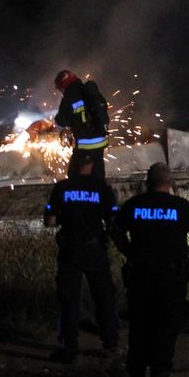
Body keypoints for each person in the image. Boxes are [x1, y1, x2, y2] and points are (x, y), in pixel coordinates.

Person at [113, 162, 189, 377]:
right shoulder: (181, 206)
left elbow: (116, 233)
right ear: (170, 183)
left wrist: (130, 253)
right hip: (171, 276)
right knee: (165, 328)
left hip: (140, 275)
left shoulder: (134, 205)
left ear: (147, 182)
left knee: (139, 327)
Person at [43, 150, 120, 363]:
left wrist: (65, 219)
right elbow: (113, 220)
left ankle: (70, 349)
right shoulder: (102, 189)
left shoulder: (61, 188)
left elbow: (49, 222)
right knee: (104, 296)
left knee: (69, 298)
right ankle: (111, 345)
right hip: (95, 249)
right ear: (92, 165)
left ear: (72, 164)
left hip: (70, 249)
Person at [53, 70, 110, 179]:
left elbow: (61, 121)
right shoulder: (87, 91)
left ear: (63, 86)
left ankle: (78, 195)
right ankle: (100, 194)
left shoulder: (69, 96)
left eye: (60, 89)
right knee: (97, 176)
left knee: (75, 177)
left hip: (85, 145)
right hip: (100, 143)